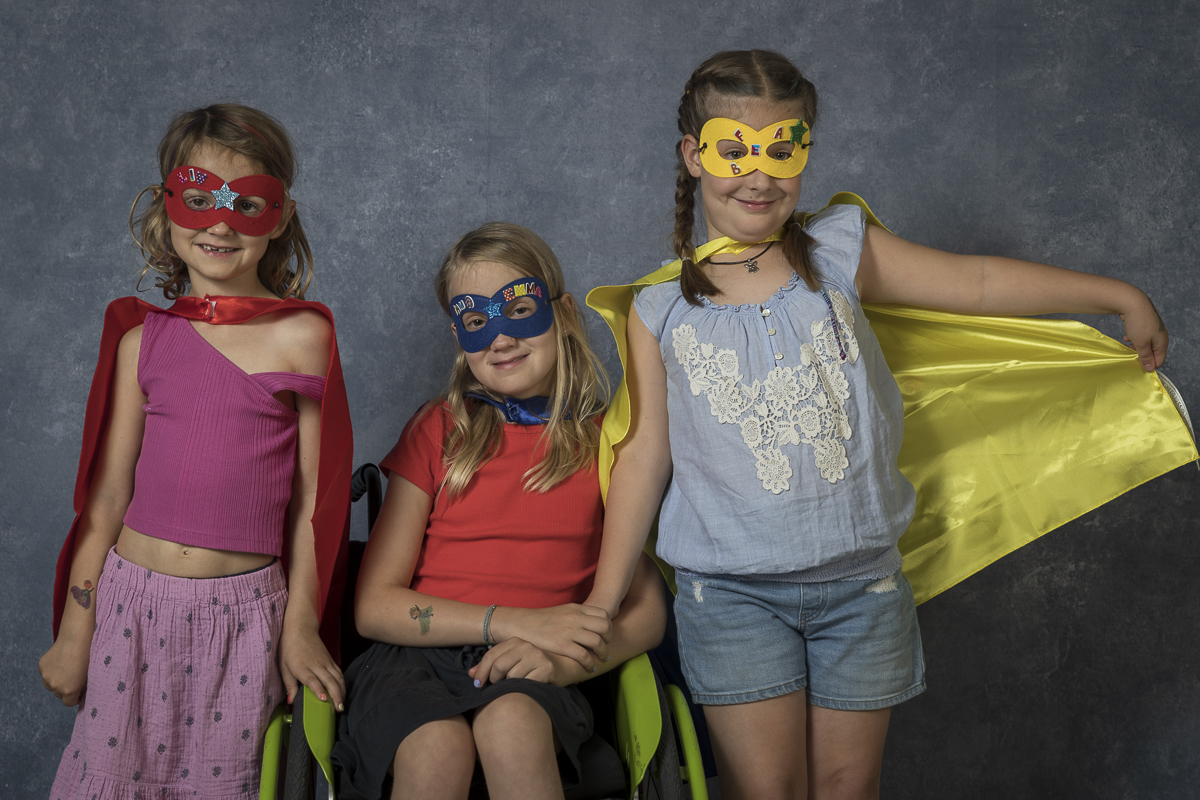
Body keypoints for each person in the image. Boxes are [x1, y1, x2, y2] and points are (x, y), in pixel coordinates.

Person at [583, 50, 1171, 800]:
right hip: (731, 596)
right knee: (767, 791)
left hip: (860, 591)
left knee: (847, 789)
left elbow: (977, 280)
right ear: (694, 156)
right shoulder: (660, 308)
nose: (759, 175)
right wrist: (603, 601)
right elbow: (642, 458)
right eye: (735, 150)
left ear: (806, 151)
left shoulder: (839, 250)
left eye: (782, 149)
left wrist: (1118, 295)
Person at [38, 104, 353, 799]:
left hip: (243, 619)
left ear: (279, 216)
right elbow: (108, 499)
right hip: (130, 607)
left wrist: (300, 625)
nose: (220, 224)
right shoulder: (141, 343)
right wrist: (76, 629)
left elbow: (315, 502)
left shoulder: (304, 337)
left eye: (247, 204)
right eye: (200, 199)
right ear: (165, 205)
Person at [331, 222, 666, 800]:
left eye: (519, 310)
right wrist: (513, 620)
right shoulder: (438, 430)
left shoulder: (607, 447)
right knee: (437, 746)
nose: (501, 339)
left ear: (562, 313)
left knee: (512, 724)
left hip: (534, 669)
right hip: (412, 663)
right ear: (459, 336)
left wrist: (563, 662)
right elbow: (374, 607)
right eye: (477, 321)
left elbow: (649, 611)